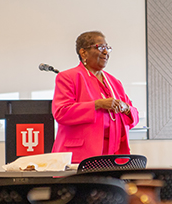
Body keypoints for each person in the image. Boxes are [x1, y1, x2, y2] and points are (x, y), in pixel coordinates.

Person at [52, 31, 139, 164]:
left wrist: (126, 108)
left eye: (107, 48)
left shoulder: (115, 82)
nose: (106, 52)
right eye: (100, 47)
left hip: (114, 155)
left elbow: (134, 116)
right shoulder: (68, 77)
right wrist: (97, 104)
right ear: (83, 53)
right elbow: (61, 112)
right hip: (80, 156)